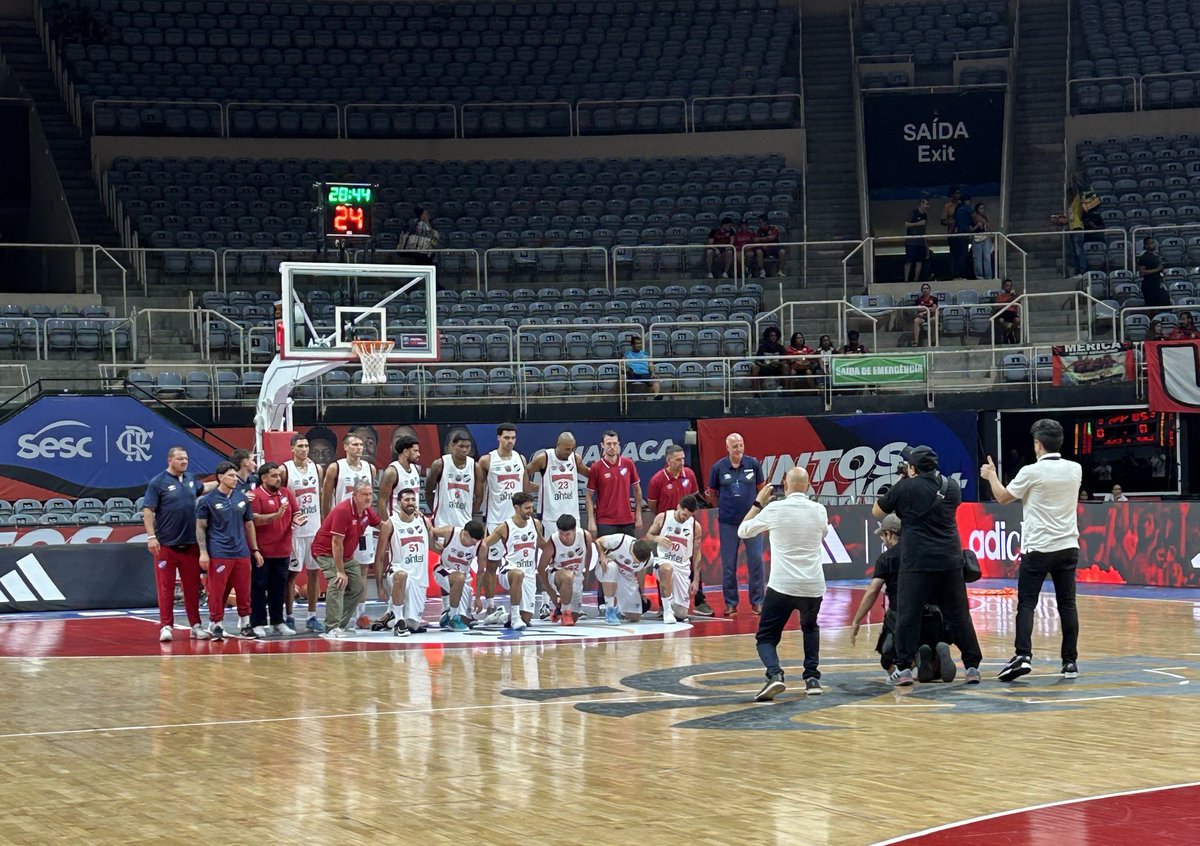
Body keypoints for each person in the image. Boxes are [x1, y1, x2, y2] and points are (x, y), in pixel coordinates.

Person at [981, 418, 1083, 681]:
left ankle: (1023, 656)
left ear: (1038, 444)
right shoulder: (1075, 469)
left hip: (1038, 547)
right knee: (1067, 605)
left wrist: (991, 476)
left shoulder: (1031, 472)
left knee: (1027, 603)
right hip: (1068, 546)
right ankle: (1070, 662)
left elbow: (1003, 497)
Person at [873, 445, 983, 685]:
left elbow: (877, 511)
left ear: (913, 468)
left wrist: (902, 484)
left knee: (908, 615)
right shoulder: (951, 487)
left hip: (917, 562)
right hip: (950, 560)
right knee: (959, 615)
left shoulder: (904, 487)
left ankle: (904, 668)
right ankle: (972, 667)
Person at [737, 468, 829, 701]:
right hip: (812, 584)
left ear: (785, 486)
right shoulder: (819, 510)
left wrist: (758, 503)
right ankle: (812, 679)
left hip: (783, 585)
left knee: (766, 637)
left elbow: (743, 531)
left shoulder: (774, 508)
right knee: (810, 628)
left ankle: (775, 674)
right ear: (808, 486)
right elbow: (824, 533)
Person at [851, 514, 957, 683]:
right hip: (933, 616)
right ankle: (933, 658)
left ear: (890, 534)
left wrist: (857, 620)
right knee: (930, 652)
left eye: (883, 535)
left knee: (887, 656)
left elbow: (873, 591)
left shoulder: (886, 558)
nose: (882, 540)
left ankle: (903, 670)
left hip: (901, 618)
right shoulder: (924, 552)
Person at [142, 446, 214, 642]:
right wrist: (151, 537)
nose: (184, 462)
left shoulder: (190, 479)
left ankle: (195, 626)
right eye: (180, 458)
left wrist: (224, 479)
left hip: (190, 543)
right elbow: (148, 511)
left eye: (186, 459)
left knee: (192, 588)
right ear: (170, 460)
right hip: (166, 544)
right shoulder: (158, 482)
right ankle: (166, 626)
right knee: (166, 588)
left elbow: (203, 488)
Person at [371, 488, 454, 636]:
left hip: (419, 577)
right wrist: (380, 586)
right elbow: (379, 557)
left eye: (413, 499)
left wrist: (451, 552)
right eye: (406, 500)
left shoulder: (423, 521)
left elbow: (432, 546)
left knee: (413, 625)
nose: (410, 503)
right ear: (398, 503)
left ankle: (391, 616)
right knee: (401, 576)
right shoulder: (390, 524)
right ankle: (398, 622)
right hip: (397, 571)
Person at [196, 461, 263, 641]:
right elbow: (200, 527)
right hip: (219, 552)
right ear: (220, 477)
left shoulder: (242, 498)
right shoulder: (207, 501)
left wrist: (255, 550)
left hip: (241, 552)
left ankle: (246, 624)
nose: (234, 479)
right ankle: (216, 624)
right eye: (231, 476)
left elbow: (249, 524)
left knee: (244, 590)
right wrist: (203, 552)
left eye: (235, 476)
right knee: (217, 591)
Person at [646, 444, 711, 615]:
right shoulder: (657, 480)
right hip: (667, 526)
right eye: (677, 460)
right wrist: (665, 521)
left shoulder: (689, 474)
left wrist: (687, 518)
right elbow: (653, 505)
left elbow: (694, 499)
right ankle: (664, 605)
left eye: (683, 459)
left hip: (686, 526)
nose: (682, 462)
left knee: (692, 557)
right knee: (664, 565)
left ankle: (699, 600)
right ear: (668, 460)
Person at [706, 432, 766, 617]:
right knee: (729, 565)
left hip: (752, 521)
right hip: (728, 523)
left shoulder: (753, 464)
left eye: (741, 445)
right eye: (735, 446)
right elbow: (712, 493)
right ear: (727, 448)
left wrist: (757, 511)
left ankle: (758, 602)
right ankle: (731, 604)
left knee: (756, 561)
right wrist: (724, 509)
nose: (738, 449)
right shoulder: (718, 468)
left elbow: (762, 490)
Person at [321, 432, 377, 628]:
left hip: (363, 526)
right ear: (345, 447)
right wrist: (327, 522)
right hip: (342, 527)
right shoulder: (336, 467)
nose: (359, 447)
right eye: (354, 444)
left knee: (363, 568)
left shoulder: (370, 468)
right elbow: (326, 496)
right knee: (342, 569)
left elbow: (369, 498)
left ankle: (360, 614)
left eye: (361, 444)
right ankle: (338, 616)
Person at [311, 481, 380, 638]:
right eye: (364, 494)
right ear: (354, 495)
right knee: (338, 583)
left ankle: (340, 625)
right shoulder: (343, 511)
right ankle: (331, 627)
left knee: (357, 587)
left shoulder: (367, 512)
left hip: (346, 556)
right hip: (325, 552)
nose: (368, 497)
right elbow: (336, 543)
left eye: (370, 494)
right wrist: (340, 571)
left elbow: (382, 525)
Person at [474, 423, 527, 624]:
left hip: (517, 522)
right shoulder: (487, 460)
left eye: (513, 437)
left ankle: (519, 607)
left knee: (519, 565)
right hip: (495, 521)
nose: (510, 441)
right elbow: (479, 491)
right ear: (498, 438)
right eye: (506, 437)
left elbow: (525, 489)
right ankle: (490, 605)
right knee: (492, 565)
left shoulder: (521, 459)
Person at [247, 462, 300, 637]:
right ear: (263, 478)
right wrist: (276, 516)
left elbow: (296, 512)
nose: (278, 479)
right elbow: (254, 520)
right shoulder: (256, 496)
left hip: (283, 549)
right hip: (262, 551)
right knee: (259, 587)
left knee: (278, 588)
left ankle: (278, 621)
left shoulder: (286, 493)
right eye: (274, 476)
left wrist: (299, 519)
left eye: (279, 475)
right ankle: (257, 622)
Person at [480, 491, 545, 629]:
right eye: (527, 508)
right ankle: (515, 618)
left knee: (526, 618)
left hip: (529, 573)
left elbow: (541, 543)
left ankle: (502, 616)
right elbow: (485, 543)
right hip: (508, 570)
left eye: (531, 507)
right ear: (516, 508)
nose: (531, 511)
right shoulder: (505, 527)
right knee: (518, 574)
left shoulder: (535, 523)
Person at [280, 434, 324, 633]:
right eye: (300, 446)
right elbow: (280, 497)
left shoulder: (317, 469)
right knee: (291, 575)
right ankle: (289, 616)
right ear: (292, 448)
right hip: (295, 531)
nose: (304, 449)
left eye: (306, 446)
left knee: (314, 573)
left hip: (314, 529)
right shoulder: (285, 470)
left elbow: (320, 496)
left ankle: (312, 616)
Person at [645, 495, 703, 622]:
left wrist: (696, 580)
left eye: (688, 516)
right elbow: (649, 535)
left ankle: (672, 606)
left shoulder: (695, 526)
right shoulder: (663, 517)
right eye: (684, 514)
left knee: (681, 614)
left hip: (682, 566)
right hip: (663, 560)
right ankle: (667, 610)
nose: (685, 518)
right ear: (678, 507)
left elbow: (697, 554)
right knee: (666, 569)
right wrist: (658, 538)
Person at [594, 534, 670, 624]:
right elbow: (598, 541)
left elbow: (641, 573)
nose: (637, 562)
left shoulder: (649, 559)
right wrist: (603, 557)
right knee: (611, 567)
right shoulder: (620, 540)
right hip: (607, 570)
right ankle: (609, 610)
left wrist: (642, 592)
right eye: (636, 560)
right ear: (632, 551)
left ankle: (620, 610)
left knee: (635, 617)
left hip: (626, 576)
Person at [538, 514, 595, 625]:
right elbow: (541, 568)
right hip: (556, 575)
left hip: (577, 576)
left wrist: (587, 573)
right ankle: (565, 612)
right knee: (568, 576)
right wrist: (550, 592)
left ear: (574, 530)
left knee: (575, 617)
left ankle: (559, 609)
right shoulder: (553, 541)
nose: (564, 537)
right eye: (561, 534)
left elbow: (589, 555)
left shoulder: (585, 536)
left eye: (567, 534)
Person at [586, 429, 643, 537]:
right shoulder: (596, 467)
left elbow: (637, 489)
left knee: (629, 548)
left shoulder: (628, 463)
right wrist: (591, 520)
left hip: (627, 520)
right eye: (608, 444)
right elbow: (589, 496)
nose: (612, 447)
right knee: (606, 548)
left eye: (615, 443)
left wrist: (638, 515)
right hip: (605, 521)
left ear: (619, 444)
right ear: (602, 445)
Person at [526, 431, 590, 527]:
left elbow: (591, 474)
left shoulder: (575, 458)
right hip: (550, 517)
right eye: (567, 449)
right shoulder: (544, 458)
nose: (570, 452)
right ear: (558, 445)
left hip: (572, 515)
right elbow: (525, 472)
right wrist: (532, 486)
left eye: (572, 449)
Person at [425, 429, 476, 530]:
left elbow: (479, 496)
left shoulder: (474, 466)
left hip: (465, 524)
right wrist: (435, 511)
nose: (464, 450)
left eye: (467, 447)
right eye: (461, 446)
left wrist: (470, 512)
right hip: (442, 523)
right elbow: (429, 492)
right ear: (452, 446)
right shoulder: (439, 464)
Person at [378, 434, 423, 521]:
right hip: (396, 521)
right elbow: (382, 501)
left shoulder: (416, 469)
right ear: (406, 452)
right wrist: (386, 523)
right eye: (415, 451)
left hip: (413, 521)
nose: (418, 454)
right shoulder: (392, 472)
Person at [748, 213, 786, 278]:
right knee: (758, 252)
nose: (759, 224)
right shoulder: (759, 231)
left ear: (765, 222)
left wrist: (760, 239)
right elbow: (756, 240)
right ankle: (762, 271)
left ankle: (780, 271)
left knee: (782, 252)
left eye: (760, 222)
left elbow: (772, 237)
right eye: (758, 223)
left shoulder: (773, 228)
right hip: (764, 249)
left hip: (774, 248)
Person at [751, 326, 787, 390]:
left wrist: (778, 363)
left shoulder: (780, 347)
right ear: (768, 337)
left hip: (777, 368)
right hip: (765, 367)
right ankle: (757, 391)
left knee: (786, 366)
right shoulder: (762, 347)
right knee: (755, 367)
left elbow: (785, 360)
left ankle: (786, 390)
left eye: (775, 336)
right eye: (772, 336)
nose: (774, 337)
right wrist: (765, 365)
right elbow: (757, 361)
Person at [1138, 237, 1169, 308]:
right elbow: (1142, 272)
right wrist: (1157, 270)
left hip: (1157, 284)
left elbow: (1159, 271)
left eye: (1154, 243)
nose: (1154, 245)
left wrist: (1162, 273)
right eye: (1151, 243)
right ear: (1146, 245)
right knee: (1151, 307)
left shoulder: (1156, 257)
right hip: (1149, 286)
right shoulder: (1144, 257)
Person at [903, 197, 929, 283]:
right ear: (921, 204)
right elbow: (906, 224)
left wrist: (926, 246)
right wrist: (918, 224)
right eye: (926, 204)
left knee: (919, 261)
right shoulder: (913, 212)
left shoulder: (925, 216)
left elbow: (924, 232)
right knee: (909, 261)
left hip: (921, 242)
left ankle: (916, 280)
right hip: (911, 242)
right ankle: (906, 280)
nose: (927, 206)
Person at [953, 194, 974, 279]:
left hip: (959, 234)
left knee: (960, 254)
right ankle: (961, 274)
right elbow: (974, 217)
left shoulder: (958, 209)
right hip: (963, 233)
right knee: (963, 254)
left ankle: (959, 273)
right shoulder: (965, 208)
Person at [994, 278, 1021, 344]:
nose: (1009, 287)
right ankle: (1009, 335)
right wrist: (1008, 302)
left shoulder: (1014, 296)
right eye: (1007, 286)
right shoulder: (999, 296)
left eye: (1010, 286)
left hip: (1012, 313)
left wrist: (1013, 297)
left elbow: (1019, 300)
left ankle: (1008, 334)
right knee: (1001, 321)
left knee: (1017, 320)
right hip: (1003, 313)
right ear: (1003, 286)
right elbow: (997, 306)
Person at [971, 202, 992, 280]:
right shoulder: (973, 218)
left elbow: (989, 228)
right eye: (981, 208)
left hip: (985, 238)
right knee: (978, 259)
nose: (982, 210)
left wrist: (986, 224)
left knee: (987, 257)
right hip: (976, 238)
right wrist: (977, 225)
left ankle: (988, 275)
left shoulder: (984, 218)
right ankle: (979, 276)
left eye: (983, 208)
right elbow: (971, 229)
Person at [913, 282, 938, 346]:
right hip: (922, 318)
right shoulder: (918, 299)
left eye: (927, 288)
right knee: (916, 320)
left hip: (931, 316)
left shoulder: (934, 299)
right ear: (922, 290)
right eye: (924, 289)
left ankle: (933, 341)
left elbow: (933, 309)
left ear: (929, 290)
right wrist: (929, 308)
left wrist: (924, 311)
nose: (925, 290)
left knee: (934, 320)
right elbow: (919, 309)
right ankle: (916, 342)